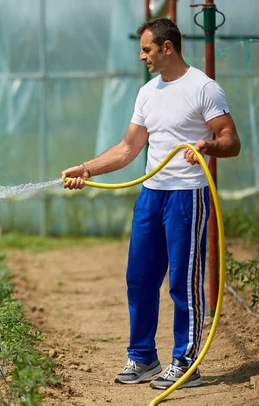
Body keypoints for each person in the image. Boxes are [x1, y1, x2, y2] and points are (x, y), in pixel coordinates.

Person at [61, 18, 240, 390]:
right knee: (139, 279)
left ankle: (186, 362)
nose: (142, 56)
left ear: (167, 48)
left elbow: (231, 140)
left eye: (147, 49)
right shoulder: (148, 92)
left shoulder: (204, 89)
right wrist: (86, 169)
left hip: (187, 195)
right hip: (151, 195)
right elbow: (128, 149)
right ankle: (142, 357)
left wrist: (208, 146)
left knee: (182, 283)